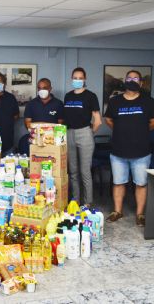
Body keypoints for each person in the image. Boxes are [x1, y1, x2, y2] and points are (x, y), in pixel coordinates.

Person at [104, 70, 154, 227]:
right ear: (125, 81)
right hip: (118, 151)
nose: (132, 80)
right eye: (129, 78)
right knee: (118, 182)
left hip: (141, 152)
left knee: (141, 183)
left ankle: (140, 214)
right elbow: (108, 119)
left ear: (140, 83)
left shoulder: (148, 101)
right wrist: (122, 129)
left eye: (136, 78)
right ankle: (117, 211)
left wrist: (139, 131)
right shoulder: (115, 101)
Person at [62, 67, 102, 208]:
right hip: (69, 133)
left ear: (85, 79)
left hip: (85, 132)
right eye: (75, 78)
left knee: (85, 171)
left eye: (80, 78)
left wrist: (90, 133)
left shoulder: (90, 96)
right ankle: (75, 200)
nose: (77, 80)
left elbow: (98, 120)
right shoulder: (68, 96)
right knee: (72, 171)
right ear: (71, 79)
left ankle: (87, 202)